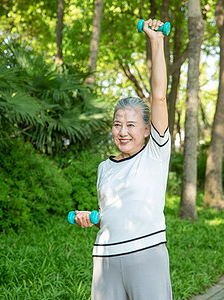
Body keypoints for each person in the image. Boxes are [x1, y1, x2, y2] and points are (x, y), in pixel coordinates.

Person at [73, 19, 172, 300]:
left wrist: (156, 41)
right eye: (118, 124)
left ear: (145, 129)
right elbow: (115, 212)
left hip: (146, 255)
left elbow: (160, 97)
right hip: (105, 259)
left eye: (131, 125)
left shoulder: (155, 152)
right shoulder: (105, 167)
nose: (123, 131)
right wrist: (91, 218)